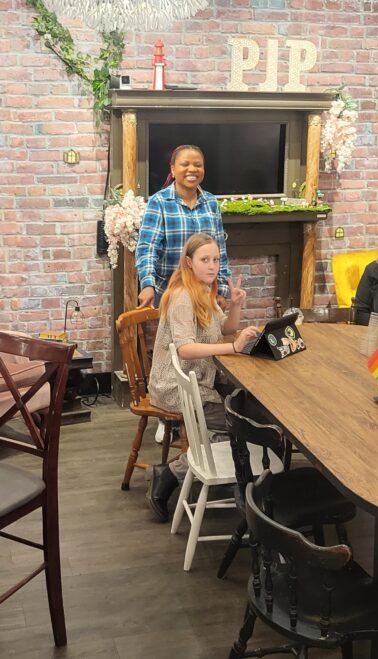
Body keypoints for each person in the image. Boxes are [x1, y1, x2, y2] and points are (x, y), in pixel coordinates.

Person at [146, 233, 260, 522]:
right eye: (204, 260)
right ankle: (171, 474)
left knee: (247, 408)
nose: (212, 266)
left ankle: (188, 469)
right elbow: (185, 349)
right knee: (243, 424)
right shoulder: (183, 296)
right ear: (188, 262)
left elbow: (225, 328)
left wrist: (235, 304)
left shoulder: (204, 291)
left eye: (216, 259)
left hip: (200, 379)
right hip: (175, 385)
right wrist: (234, 348)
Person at [136, 144, 232, 309]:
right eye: (185, 164)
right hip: (170, 294)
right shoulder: (158, 202)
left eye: (198, 165)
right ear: (173, 170)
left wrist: (221, 290)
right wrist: (147, 284)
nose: (192, 169)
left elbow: (220, 251)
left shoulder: (211, 202)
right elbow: (147, 248)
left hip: (205, 293)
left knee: (209, 335)